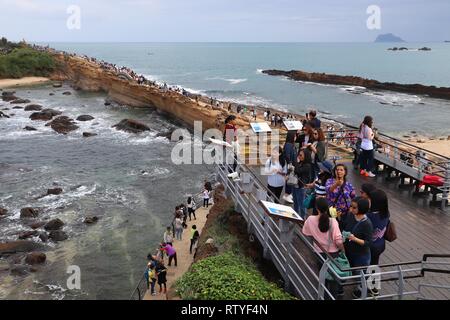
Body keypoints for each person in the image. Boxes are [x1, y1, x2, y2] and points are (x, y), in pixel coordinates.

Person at [302, 197, 344, 297]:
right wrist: (343, 250)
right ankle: (332, 296)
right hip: (333, 254)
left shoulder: (310, 220)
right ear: (327, 208)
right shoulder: (333, 222)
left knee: (323, 276)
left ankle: (323, 295)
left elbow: (305, 232)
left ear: (316, 208)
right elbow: (338, 240)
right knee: (333, 278)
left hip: (319, 252)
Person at [340, 197, 374, 298]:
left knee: (361, 276)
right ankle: (340, 288)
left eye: (354, 207)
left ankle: (360, 292)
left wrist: (354, 239)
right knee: (344, 270)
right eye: (351, 206)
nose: (351, 209)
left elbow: (368, 243)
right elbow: (345, 226)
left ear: (361, 209)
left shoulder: (367, 224)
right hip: (348, 251)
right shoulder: (350, 215)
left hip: (361, 255)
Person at [367, 190, 390, 267]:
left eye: (369, 199)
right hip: (380, 244)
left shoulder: (369, 216)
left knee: (367, 264)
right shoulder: (386, 213)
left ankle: (367, 278)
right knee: (374, 263)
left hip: (370, 246)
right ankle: (375, 277)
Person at [293, 149, 313, 219]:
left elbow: (298, 171)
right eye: (299, 155)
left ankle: (302, 219)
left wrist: (296, 163)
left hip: (301, 186)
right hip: (295, 184)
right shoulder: (300, 163)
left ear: (306, 156)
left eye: (301, 155)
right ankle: (295, 216)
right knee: (295, 202)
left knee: (301, 204)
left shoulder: (307, 165)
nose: (299, 156)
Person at [282, 131, 297, 203]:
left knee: (291, 179)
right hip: (290, 166)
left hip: (291, 165)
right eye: (294, 136)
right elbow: (287, 155)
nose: (295, 137)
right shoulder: (288, 145)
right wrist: (290, 164)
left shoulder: (291, 144)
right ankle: (286, 195)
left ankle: (289, 194)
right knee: (289, 180)